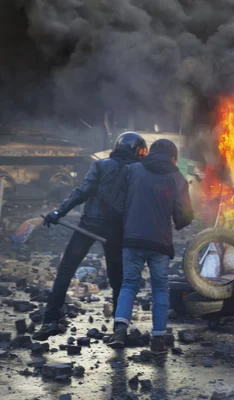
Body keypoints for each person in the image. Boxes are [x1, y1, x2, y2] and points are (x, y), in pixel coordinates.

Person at [33, 132, 148, 341]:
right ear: (137, 151)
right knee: (117, 280)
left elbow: (82, 192)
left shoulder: (101, 165)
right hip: (116, 231)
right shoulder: (138, 172)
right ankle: (119, 330)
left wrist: (60, 212)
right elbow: (138, 206)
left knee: (66, 271)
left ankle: (50, 321)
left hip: (89, 224)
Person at [109, 139, 193, 353]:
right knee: (160, 289)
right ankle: (158, 339)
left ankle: (119, 331)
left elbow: (115, 203)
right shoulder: (177, 177)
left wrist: (126, 221)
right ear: (174, 158)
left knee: (129, 284)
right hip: (160, 244)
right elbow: (184, 217)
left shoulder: (132, 170)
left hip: (132, 240)